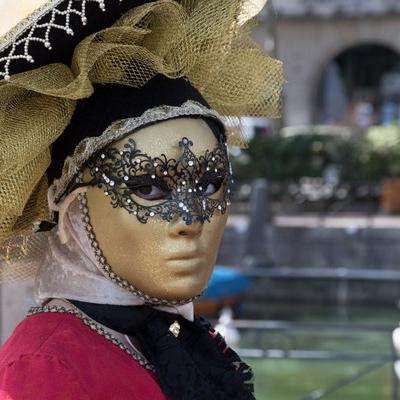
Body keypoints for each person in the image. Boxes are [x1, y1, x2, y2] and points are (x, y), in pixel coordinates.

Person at [0, 1, 282, 399]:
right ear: (74, 208)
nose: (190, 220)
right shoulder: (47, 363)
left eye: (208, 184)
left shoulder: (179, 340)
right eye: (149, 187)